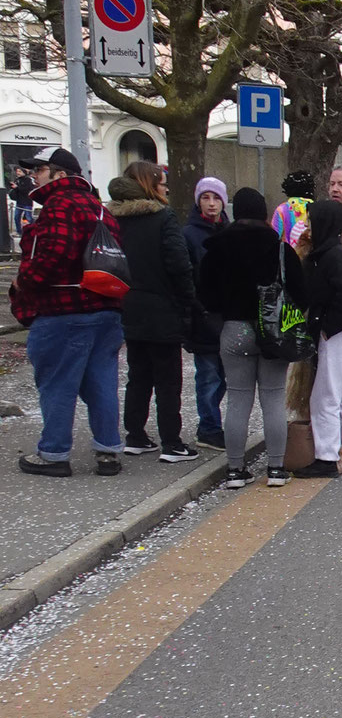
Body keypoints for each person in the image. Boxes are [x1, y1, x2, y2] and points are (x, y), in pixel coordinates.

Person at [9, 147, 125, 477]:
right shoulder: (100, 209)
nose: (34, 176)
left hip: (64, 311)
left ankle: (54, 453)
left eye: (40, 170)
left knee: (57, 383)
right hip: (106, 309)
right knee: (102, 383)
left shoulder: (60, 205)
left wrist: (24, 283)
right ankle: (108, 451)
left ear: (60, 175)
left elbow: (53, 254)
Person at [198, 185, 304, 488]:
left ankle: (234, 470)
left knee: (238, 399)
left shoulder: (216, 248)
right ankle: (275, 468)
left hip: (233, 329)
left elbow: (204, 294)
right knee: (272, 397)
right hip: (272, 333)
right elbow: (300, 292)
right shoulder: (281, 249)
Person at [107, 160, 199, 461]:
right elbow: (178, 262)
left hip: (128, 303)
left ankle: (135, 435)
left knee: (139, 374)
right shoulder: (162, 217)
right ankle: (172, 442)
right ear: (149, 185)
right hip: (162, 305)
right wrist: (189, 300)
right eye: (161, 182)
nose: (166, 187)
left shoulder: (112, 218)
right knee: (168, 378)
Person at [294, 199, 342, 477]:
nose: (309, 227)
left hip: (337, 334)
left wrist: (327, 325)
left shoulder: (331, 256)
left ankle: (326, 457)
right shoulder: (339, 253)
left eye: (312, 221)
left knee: (325, 397)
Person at [182, 176, 229, 447]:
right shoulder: (189, 233)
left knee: (223, 376)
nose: (211, 204)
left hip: (226, 315)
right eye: (205, 198)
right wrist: (197, 308)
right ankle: (209, 427)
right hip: (203, 315)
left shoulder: (227, 230)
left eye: (216, 198)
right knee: (208, 375)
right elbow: (187, 275)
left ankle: (214, 424)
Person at [272, 169, 314, 247]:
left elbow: (274, 236)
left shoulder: (282, 209)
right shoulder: (317, 208)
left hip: (289, 255)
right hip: (311, 255)